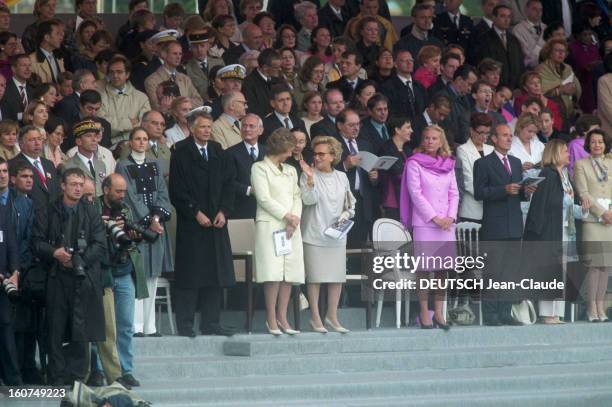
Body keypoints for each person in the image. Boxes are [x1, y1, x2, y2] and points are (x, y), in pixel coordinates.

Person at [32, 167, 105, 385]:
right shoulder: (48, 209)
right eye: (73, 184)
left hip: (82, 277)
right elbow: (36, 241)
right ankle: (56, 376)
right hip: (56, 276)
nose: (77, 188)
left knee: (80, 330)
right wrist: (55, 253)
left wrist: (77, 261)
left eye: (81, 185)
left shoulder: (91, 210)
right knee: (55, 328)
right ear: (62, 185)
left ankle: (77, 377)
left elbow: (100, 244)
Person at [169, 111, 236, 337]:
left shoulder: (218, 151)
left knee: (214, 274)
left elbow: (229, 185)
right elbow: (177, 190)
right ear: (191, 128)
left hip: (217, 223)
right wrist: (195, 212)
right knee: (190, 274)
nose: (208, 130)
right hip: (192, 224)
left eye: (209, 126)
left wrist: (224, 211)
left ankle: (211, 323)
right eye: (203, 127)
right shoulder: (180, 152)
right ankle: (186, 325)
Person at [473, 124, 536, 325]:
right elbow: (479, 192)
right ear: (494, 139)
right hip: (494, 225)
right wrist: (503, 189)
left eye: (510, 136)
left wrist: (526, 192)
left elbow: (517, 195)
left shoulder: (516, 162)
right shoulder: (482, 163)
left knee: (510, 271)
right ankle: (491, 314)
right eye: (504, 136)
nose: (509, 139)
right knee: (493, 270)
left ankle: (506, 312)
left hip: (514, 224)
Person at [116, 127, 173, 338]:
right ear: (130, 142)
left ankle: (151, 326)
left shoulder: (155, 164)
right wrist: (148, 221)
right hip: (136, 228)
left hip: (156, 227)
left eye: (145, 139)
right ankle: (136, 324)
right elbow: (130, 197)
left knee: (153, 275)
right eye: (137, 139)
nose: (141, 142)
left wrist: (157, 218)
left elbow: (162, 193)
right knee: (136, 274)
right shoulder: (123, 165)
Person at [399, 125, 458, 330]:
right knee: (424, 270)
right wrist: (435, 218)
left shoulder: (449, 164)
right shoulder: (414, 163)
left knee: (442, 270)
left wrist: (450, 216)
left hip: (447, 224)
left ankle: (440, 313)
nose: (430, 141)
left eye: (434, 138)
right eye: (426, 138)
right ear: (422, 140)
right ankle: (425, 312)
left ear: (441, 142)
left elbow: (454, 193)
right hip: (425, 223)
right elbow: (415, 194)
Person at [524, 139, 587, 324]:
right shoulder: (549, 174)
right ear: (556, 153)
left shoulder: (565, 174)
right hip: (550, 230)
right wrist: (568, 205)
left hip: (567, 230)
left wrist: (582, 209)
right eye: (565, 150)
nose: (569, 154)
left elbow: (568, 207)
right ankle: (546, 313)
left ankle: (557, 313)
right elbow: (546, 204)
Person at [251, 128, 304, 335]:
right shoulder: (259, 168)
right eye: (289, 149)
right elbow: (263, 198)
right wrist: (286, 216)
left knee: (289, 273)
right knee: (272, 273)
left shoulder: (291, 170)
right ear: (280, 148)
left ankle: (283, 317)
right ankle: (271, 318)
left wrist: (294, 219)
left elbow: (297, 196)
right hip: (270, 225)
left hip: (291, 227)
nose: (291, 154)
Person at [300, 136, 355, 333]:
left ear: (333, 156)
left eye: (322, 154)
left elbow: (351, 204)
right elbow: (308, 200)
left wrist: (346, 214)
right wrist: (310, 179)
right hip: (314, 233)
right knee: (315, 278)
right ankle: (315, 318)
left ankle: (332, 316)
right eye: (315, 154)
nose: (317, 157)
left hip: (337, 235)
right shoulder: (308, 173)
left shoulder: (342, 176)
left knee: (336, 277)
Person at [96, 173, 147, 389]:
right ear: (106, 189)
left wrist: (135, 234)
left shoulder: (125, 208)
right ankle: (98, 369)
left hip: (124, 269)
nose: (122, 195)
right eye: (118, 191)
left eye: (124, 191)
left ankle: (126, 370)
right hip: (103, 271)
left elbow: (133, 231)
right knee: (101, 326)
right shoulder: (94, 206)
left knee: (125, 324)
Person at [573, 129, 612, 322]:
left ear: (606, 144)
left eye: (601, 141)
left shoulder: (611, 163)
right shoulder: (581, 164)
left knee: (606, 265)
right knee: (594, 266)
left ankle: (601, 305)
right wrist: (602, 212)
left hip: (610, 221)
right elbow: (583, 192)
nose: (597, 145)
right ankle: (591, 307)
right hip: (593, 221)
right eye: (594, 142)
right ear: (588, 144)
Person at [0, 158, 22, 386]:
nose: (2, 175)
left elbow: (11, 243)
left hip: (5, 279)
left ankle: (13, 379)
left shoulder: (4, 209)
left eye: (5, 171)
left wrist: (15, 271)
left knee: (6, 325)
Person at [98, 55, 151, 144]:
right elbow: (103, 127)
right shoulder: (100, 97)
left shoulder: (142, 97)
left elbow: (145, 125)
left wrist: (116, 125)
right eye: (112, 72)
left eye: (119, 72)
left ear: (127, 74)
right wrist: (129, 123)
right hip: (111, 145)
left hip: (137, 143)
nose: (115, 75)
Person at [475, 5, 525, 89]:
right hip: (493, 88)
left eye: (509, 17)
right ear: (494, 18)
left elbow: (520, 65)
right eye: (503, 16)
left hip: (515, 89)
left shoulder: (514, 40)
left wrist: (519, 86)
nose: (506, 20)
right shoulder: (483, 39)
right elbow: (483, 66)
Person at [457, 113, 495, 222]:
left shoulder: (491, 149)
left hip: (491, 209)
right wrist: (493, 194)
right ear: (471, 130)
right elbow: (468, 181)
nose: (484, 137)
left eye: (487, 133)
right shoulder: (462, 150)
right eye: (481, 132)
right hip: (471, 211)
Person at [144, 40, 203, 111]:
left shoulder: (185, 78)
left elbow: (199, 101)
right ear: (164, 54)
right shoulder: (151, 81)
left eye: (180, 54)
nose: (178, 57)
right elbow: (156, 107)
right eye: (175, 53)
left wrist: (179, 103)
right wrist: (185, 103)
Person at [227, 113, 266, 219]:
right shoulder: (230, 153)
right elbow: (228, 182)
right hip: (241, 210)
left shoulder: (268, 152)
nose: (247, 129)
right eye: (244, 125)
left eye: (251, 126)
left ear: (260, 130)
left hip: (266, 211)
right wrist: (249, 190)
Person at [536, 39, 582, 124]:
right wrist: (560, 90)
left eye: (563, 51)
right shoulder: (541, 69)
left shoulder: (568, 68)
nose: (561, 53)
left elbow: (577, 87)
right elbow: (540, 93)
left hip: (569, 110)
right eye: (557, 50)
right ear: (549, 52)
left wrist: (574, 89)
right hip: (551, 113)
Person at [378, 116, 413, 221]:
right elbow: (395, 173)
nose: (411, 130)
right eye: (408, 127)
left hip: (406, 200)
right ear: (397, 130)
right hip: (392, 202)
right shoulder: (386, 149)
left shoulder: (408, 150)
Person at [62, 119, 107, 197]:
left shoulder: (101, 164)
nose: (94, 139)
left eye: (95, 136)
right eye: (89, 136)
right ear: (79, 141)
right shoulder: (68, 166)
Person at [381, 49, 427, 121]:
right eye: (404, 60)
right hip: (400, 128)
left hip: (420, 127)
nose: (409, 63)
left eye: (411, 60)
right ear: (395, 64)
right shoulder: (387, 87)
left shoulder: (419, 86)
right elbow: (390, 113)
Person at [184, 26, 224, 102]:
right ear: (190, 48)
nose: (199, 50)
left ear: (208, 46)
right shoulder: (186, 67)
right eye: (195, 47)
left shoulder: (219, 62)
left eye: (202, 46)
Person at [29, 19, 66, 83]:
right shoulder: (31, 60)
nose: (61, 37)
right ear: (47, 37)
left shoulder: (59, 59)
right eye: (57, 33)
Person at [512, 0, 546, 68]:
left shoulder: (545, 27)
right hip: (530, 70)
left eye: (540, 10)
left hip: (548, 67)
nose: (538, 12)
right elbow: (528, 57)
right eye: (534, 9)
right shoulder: (517, 30)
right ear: (526, 10)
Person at [1, 54, 34, 122]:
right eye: (24, 65)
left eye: (29, 65)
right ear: (13, 69)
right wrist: (21, 116)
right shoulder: (4, 88)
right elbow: (3, 114)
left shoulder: (32, 89)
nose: (28, 69)